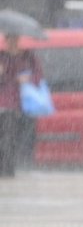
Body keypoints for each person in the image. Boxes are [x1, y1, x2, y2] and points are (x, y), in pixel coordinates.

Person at [0, 31, 44, 173]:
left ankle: (9, 167)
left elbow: (38, 76)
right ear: (6, 41)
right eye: (9, 39)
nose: (12, 42)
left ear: (18, 39)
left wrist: (28, 79)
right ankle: (6, 167)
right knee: (6, 136)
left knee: (12, 137)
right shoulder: (2, 57)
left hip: (22, 104)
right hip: (4, 104)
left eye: (15, 38)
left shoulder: (28, 56)